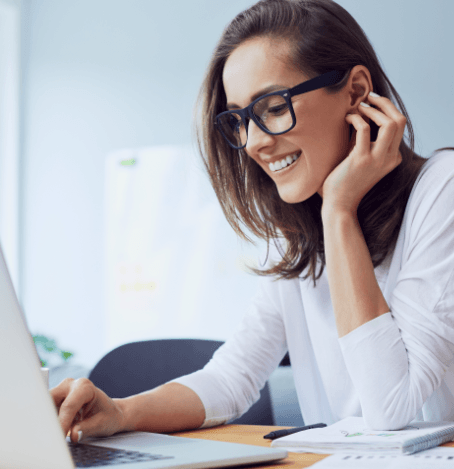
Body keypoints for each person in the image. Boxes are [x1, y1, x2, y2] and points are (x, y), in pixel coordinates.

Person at [51, 0, 454, 441]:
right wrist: (121, 412)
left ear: (356, 91)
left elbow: (390, 406)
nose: (254, 143)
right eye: (241, 119)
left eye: (274, 106)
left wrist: (339, 211)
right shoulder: (298, 234)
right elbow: (230, 378)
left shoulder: (441, 191)